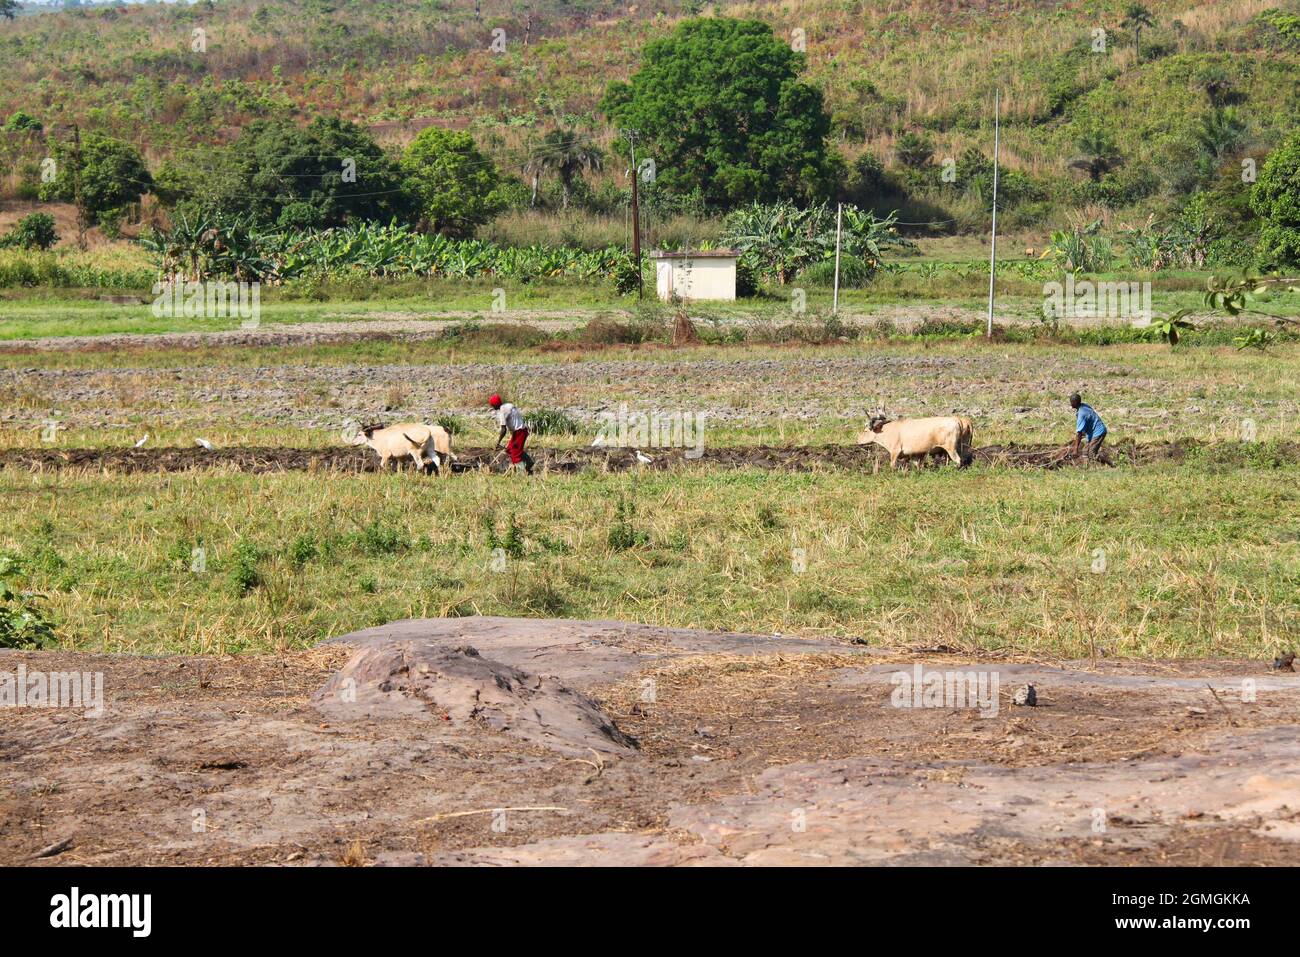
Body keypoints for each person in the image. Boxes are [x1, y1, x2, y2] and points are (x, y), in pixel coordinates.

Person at [490, 394, 533, 475]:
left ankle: (522, 473)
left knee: (515, 454)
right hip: (522, 431)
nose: (492, 407)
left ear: (495, 404)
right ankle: (529, 462)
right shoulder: (509, 405)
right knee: (509, 449)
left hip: (519, 433)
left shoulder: (502, 411)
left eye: (492, 405)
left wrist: (498, 442)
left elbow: (503, 430)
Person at [1069, 393, 1112, 464]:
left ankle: (1110, 463)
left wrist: (1075, 449)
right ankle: (1088, 467)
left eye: (1071, 402)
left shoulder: (1081, 414)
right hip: (1092, 432)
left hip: (1098, 432)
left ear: (1075, 402)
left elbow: (1079, 433)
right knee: (1085, 452)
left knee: (1092, 453)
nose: (1070, 404)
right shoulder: (1084, 406)